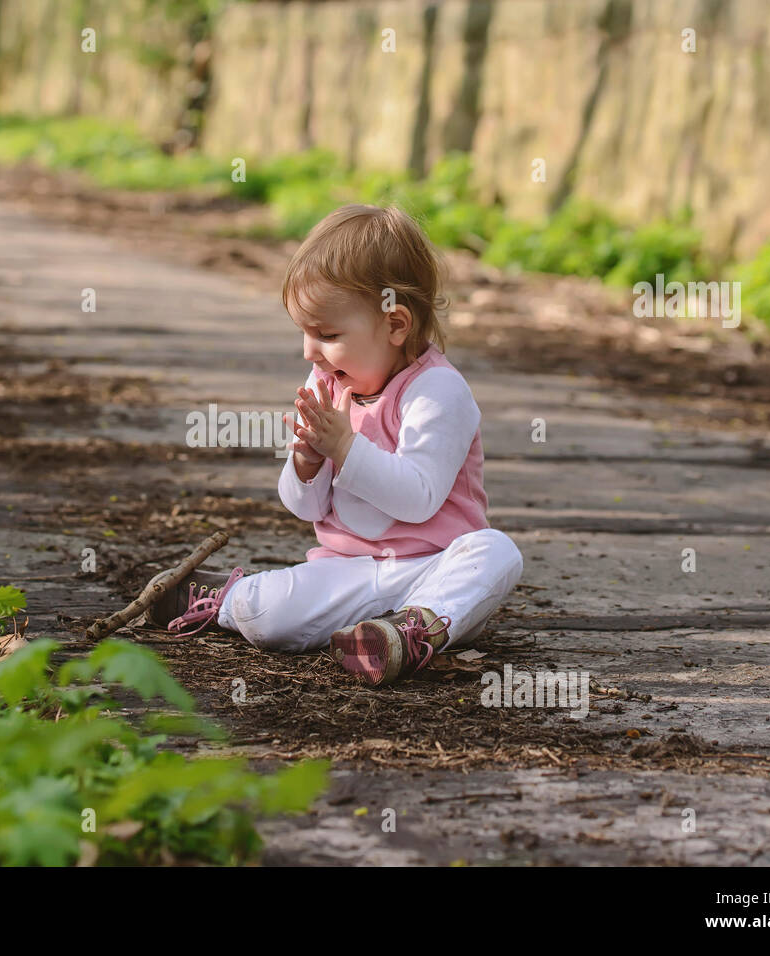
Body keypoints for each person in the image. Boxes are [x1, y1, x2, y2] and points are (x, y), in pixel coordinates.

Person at [147, 203, 523, 686]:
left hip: (431, 570)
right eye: (304, 332)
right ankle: (227, 600)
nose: (309, 351)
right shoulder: (327, 380)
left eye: (327, 334)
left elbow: (418, 498)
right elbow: (305, 507)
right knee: (268, 617)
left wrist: (345, 448)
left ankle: (411, 634)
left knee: (495, 552)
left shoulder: (438, 392)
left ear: (395, 325)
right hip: (350, 570)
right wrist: (307, 461)